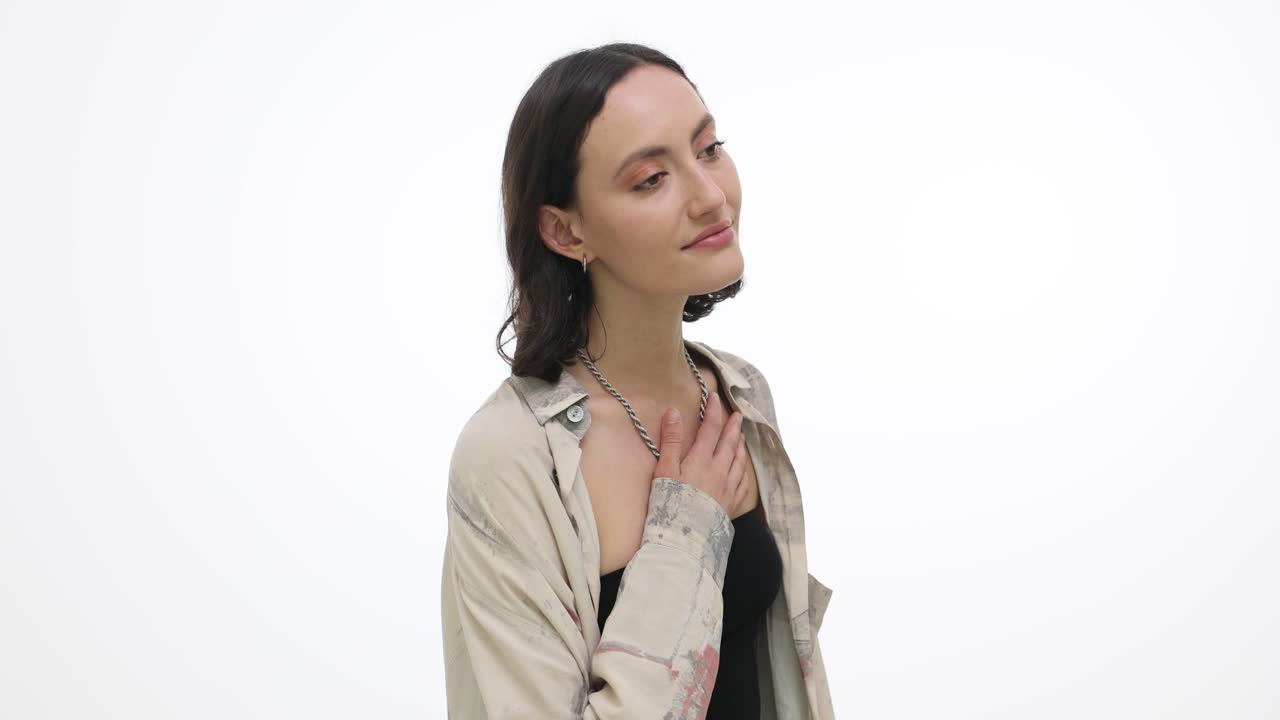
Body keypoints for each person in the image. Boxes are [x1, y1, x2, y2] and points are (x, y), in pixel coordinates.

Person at [441, 42, 835, 719]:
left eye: (709, 148)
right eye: (652, 178)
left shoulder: (735, 392)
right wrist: (688, 532)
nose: (711, 196)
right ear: (565, 232)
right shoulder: (511, 460)